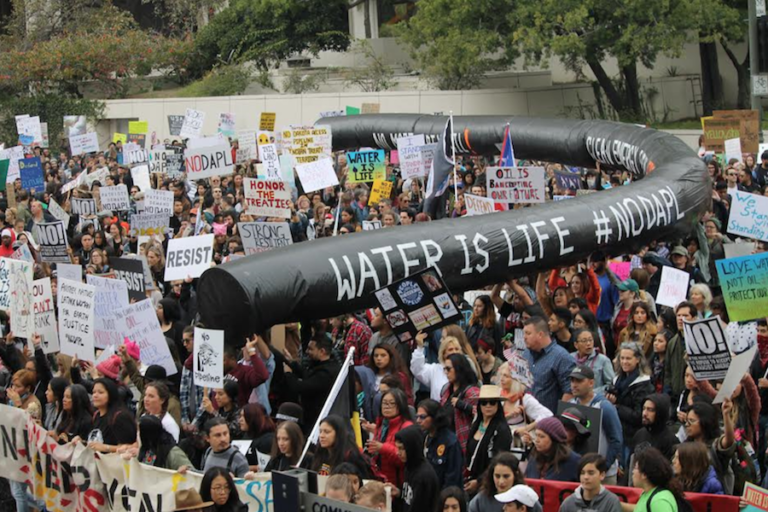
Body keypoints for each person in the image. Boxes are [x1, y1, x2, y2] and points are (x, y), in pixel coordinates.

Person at [605, 342, 653, 465]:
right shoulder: (617, 379)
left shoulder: (643, 384)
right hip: (615, 433)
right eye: (622, 358)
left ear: (637, 359)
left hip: (631, 437)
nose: (624, 362)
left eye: (628, 358)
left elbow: (639, 415)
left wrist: (617, 407)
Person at [284, 336, 341, 435]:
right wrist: (292, 363)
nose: (307, 351)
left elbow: (301, 387)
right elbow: (307, 374)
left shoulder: (326, 373)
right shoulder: (327, 366)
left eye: (311, 349)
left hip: (316, 420)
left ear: (322, 351)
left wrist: (288, 374)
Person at [464, 385, 513, 495]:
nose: (488, 406)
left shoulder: (502, 430)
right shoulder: (476, 425)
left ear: (498, 405)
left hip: (491, 486)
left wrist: (479, 481)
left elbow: (499, 461)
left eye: (492, 402)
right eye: (484, 402)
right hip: (470, 480)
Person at [522, 316, 575, 414]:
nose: (524, 337)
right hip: (526, 419)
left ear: (540, 334)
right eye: (524, 333)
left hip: (549, 422)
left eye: (528, 333)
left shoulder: (562, 357)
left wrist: (558, 420)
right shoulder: (525, 354)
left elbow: (570, 391)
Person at [362, 388, 412, 489]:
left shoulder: (407, 426)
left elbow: (405, 460)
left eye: (391, 403)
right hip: (380, 479)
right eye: (384, 403)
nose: (387, 407)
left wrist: (382, 448)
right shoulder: (382, 424)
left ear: (400, 405)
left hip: (397, 483)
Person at [415, 399, 463, 489]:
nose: (418, 420)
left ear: (435, 417)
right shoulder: (424, 437)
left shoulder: (450, 442)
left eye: (422, 417)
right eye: (417, 416)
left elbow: (452, 478)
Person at [439, 353, 480, 457]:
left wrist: (463, 406)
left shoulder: (472, 392)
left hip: (463, 445)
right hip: (446, 444)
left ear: (459, 368)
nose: (446, 373)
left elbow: (482, 414)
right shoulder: (446, 391)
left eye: (449, 369)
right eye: (445, 369)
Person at [392, 425, 440, 512]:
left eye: (401, 448)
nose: (398, 453)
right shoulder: (409, 467)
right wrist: (399, 493)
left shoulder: (424, 476)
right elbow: (408, 500)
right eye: (397, 448)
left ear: (412, 448)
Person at [88, 377, 137, 452]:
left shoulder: (120, 417)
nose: (95, 395)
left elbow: (131, 447)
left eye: (100, 392)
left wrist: (106, 448)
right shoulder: (96, 415)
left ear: (111, 394)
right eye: (93, 392)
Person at [525, 417, 580, 482]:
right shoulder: (534, 457)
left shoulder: (573, 461)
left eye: (542, 436)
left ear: (554, 439)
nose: (537, 440)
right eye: (536, 435)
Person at [632, 448, 686, 512]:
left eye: (635, 468)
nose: (633, 472)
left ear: (644, 475)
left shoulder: (659, 500)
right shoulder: (647, 494)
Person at [633, 394, 679, 461]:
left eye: (650, 410)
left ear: (660, 412)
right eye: (644, 408)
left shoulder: (670, 441)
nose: (644, 413)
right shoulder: (639, 434)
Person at [570, 329, 614, 394]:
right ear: (576, 345)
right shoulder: (570, 358)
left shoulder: (603, 360)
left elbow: (610, 384)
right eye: (584, 341)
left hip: (595, 398)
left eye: (590, 340)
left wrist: (592, 392)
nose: (588, 343)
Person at [239, 403, 276, 469]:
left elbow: (264, 467)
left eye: (244, 417)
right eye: (240, 416)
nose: (240, 420)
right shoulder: (247, 434)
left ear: (253, 418)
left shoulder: (268, 440)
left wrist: (239, 468)